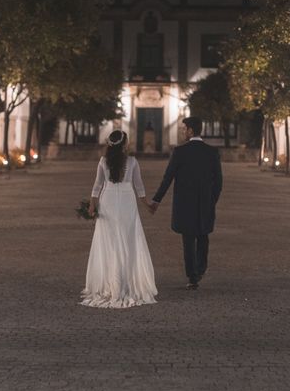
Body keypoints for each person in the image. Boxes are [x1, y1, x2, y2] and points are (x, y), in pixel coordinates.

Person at [81, 130, 158, 308]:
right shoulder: (132, 162)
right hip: (126, 202)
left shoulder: (103, 161)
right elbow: (139, 186)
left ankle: (110, 280)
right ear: (124, 144)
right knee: (128, 240)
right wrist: (147, 205)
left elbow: (97, 186)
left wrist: (92, 205)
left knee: (109, 242)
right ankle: (126, 280)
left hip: (107, 200)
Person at [150, 116, 222, 290]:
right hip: (205, 203)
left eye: (184, 129)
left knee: (188, 240)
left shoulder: (180, 152)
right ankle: (201, 268)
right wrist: (211, 201)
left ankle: (192, 277)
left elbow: (168, 177)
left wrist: (157, 199)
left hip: (185, 204)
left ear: (191, 131)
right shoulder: (212, 152)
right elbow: (218, 182)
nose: (183, 132)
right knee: (203, 236)